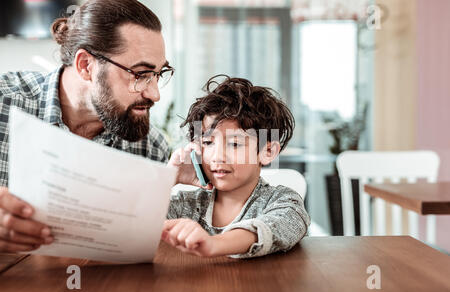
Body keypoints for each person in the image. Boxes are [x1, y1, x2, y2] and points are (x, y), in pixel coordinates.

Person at [0, 0, 204, 253]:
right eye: (140, 74)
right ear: (86, 66)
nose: (154, 94)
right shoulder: (4, 103)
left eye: (158, 74)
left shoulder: (150, 150)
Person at [163, 75, 310, 258]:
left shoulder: (283, 201)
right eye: (208, 142)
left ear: (268, 151)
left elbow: (276, 227)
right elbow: (133, 223)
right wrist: (167, 178)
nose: (217, 156)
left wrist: (213, 244)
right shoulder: (186, 205)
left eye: (234, 144)